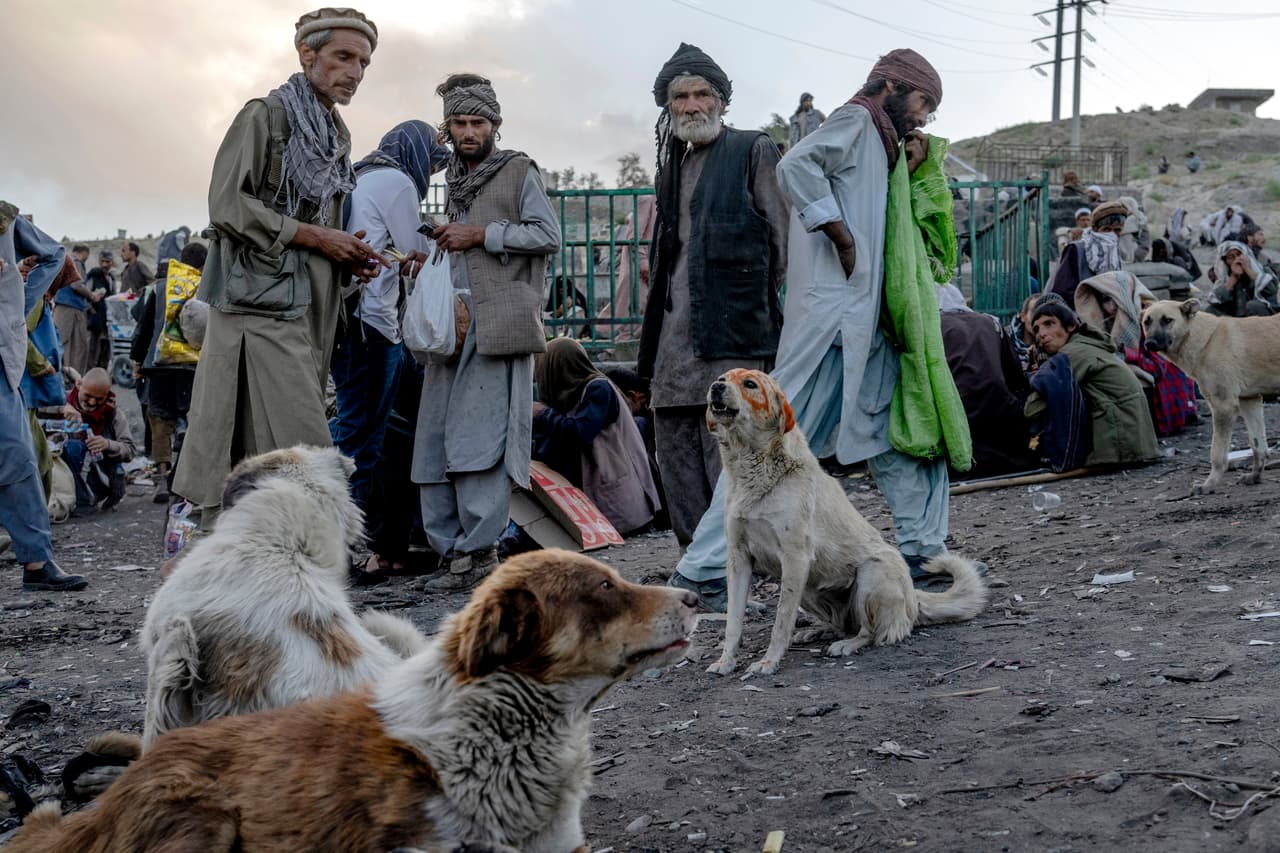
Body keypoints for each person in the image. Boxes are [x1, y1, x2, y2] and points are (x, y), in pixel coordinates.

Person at [672, 48, 977, 606]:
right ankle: (702, 572)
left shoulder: (881, 141)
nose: (926, 117)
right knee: (767, 446)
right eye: (923, 102)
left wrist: (906, 169)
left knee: (903, 436)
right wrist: (837, 231)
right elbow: (797, 165)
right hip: (832, 324)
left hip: (865, 321)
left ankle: (923, 553)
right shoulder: (857, 118)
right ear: (891, 85)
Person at [173, 8, 387, 519]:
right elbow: (227, 204)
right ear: (307, 54)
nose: (355, 72)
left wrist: (345, 257)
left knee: (262, 461)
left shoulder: (336, 134)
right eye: (343, 57)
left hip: (310, 311)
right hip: (257, 309)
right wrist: (316, 237)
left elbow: (322, 225)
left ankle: (246, 578)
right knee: (303, 459)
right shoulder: (264, 116)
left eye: (363, 62)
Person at [638, 43, 789, 562]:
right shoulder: (670, 166)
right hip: (674, 338)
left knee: (731, 449)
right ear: (668, 105)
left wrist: (756, 303)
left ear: (721, 102)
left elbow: (781, 241)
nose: (692, 104)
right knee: (674, 444)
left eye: (703, 93)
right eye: (680, 96)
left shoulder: (752, 148)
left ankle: (734, 561)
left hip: (734, 331)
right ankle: (694, 561)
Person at [412, 73, 559, 591]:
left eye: (477, 122)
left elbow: (546, 234)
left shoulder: (519, 171)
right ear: (447, 128)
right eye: (459, 123)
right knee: (434, 439)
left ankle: (479, 553)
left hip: (498, 324)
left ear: (494, 124)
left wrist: (481, 235)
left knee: (482, 441)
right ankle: (449, 552)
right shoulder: (445, 178)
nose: (469, 131)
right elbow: (440, 241)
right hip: (448, 326)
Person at [332, 119, 448, 536]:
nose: (431, 174)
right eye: (433, 165)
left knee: (371, 427)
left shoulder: (363, 174)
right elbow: (415, 251)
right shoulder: (397, 181)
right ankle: (338, 545)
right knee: (362, 444)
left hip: (350, 325)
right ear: (417, 156)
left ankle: (394, 536)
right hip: (374, 328)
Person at [0, 202, 88, 592]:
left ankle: (36, 561)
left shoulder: (6, 219)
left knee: (19, 457)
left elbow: (54, 255)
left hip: (4, 360)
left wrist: (19, 297)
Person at [532, 338, 660, 534]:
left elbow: (580, 432)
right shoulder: (572, 394)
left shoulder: (598, 389)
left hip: (620, 504)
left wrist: (543, 414)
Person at [1024, 301, 1160, 467]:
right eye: (1036, 329)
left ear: (1071, 326)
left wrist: (1036, 376)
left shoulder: (1073, 353)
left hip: (1122, 446)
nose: (1042, 334)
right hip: (1137, 443)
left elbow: (1032, 410)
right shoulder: (1087, 344)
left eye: (1049, 324)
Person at [132, 243, 209, 502]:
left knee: (159, 419)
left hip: (159, 365)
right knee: (192, 418)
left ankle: (162, 479)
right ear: (202, 265)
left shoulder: (160, 286)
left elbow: (143, 326)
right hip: (192, 366)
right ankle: (184, 478)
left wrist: (136, 360)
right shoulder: (205, 287)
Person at [940, 309, 1036, 478]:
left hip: (958, 416)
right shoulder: (991, 322)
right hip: (1000, 413)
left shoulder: (933, 325)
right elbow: (1015, 378)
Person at [61, 367, 137, 516]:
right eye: (88, 396)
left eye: (99, 399)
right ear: (78, 385)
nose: (92, 402)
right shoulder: (64, 402)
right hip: (62, 474)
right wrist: (62, 409)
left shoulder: (113, 413)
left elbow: (130, 449)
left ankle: (84, 501)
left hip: (98, 474)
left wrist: (107, 444)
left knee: (74, 448)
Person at [1049, 199, 1127, 308]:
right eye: (1106, 229)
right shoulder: (1076, 249)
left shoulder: (1114, 254)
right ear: (1095, 229)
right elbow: (1063, 291)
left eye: (1117, 230)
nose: (1112, 235)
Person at [51, 245, 100, 376]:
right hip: (72, 308)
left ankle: (64, 377)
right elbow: (76, 284)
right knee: (78, 346)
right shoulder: (76, 263)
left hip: (62, 307)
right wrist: (91, 296)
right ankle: (74, 379)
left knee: (62, 343)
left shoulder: (64, 261)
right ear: (85, 253)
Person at [1205, 240, 1278, 317]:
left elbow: (1272, 290)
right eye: (1231, 257)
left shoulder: (1263, 270)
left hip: (1261, 316)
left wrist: (1248, 270)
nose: (1237, 259)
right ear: (1225, 261)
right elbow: (1215, 300)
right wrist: (1233, 278)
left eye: (1239, 255)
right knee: (1211, 310)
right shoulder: (1224, 276)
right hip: (1236, 316)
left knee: (1252, 306)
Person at [84, 250, 115, 370]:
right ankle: (90, 373)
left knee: (106, 346)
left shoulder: (111, 278)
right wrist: (90, 309)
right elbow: (86, 294)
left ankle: (102, 372)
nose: (104, 264)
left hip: (107, 317)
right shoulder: (94, 275)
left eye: (107, 262)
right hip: (95, 316)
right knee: (92, 346)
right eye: (102, 261)